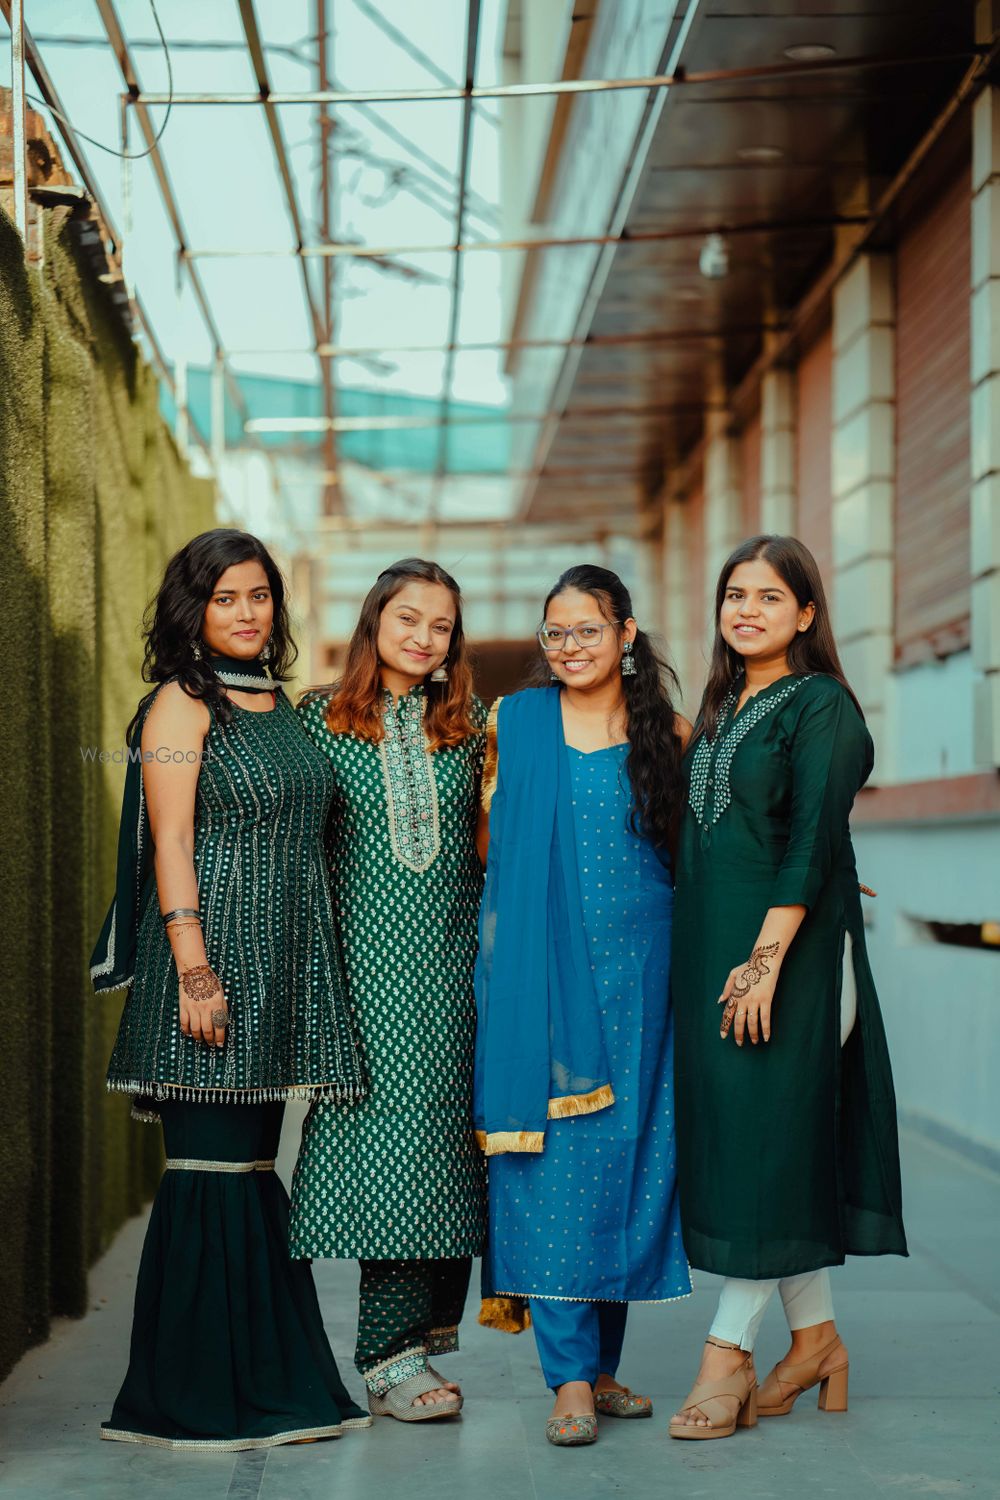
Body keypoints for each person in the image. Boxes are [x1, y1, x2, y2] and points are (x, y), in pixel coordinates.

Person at [92, 528, 368, 1450]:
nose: (248, 614)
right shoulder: (181, 703)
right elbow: (170, 841)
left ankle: (275, 1388)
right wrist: (193, 971)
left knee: (250, 1180)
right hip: (208, 980)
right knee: (209, 1180)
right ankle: (192, 1404)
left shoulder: (279, 703)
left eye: (259, 597)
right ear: (194, 610)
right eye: (226, 599)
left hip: (279, 976)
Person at [669, 534, 907, 1441]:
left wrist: (765, 959)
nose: (748, 611)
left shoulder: (823, 706)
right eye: (736, 594)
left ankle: (726, 1356)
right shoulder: (726, 705)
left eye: (771, 597)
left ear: (806, 614)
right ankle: (817, 1346)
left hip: (784, 967)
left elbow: (810, 836)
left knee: (764, 1151)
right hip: (713, 957)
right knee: (751, 1149)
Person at [475, 565, 692, 1448]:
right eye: (554, 632)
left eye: (587, 631)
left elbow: (704, 860)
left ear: (627, 634)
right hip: (538, 981)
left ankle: (601, 1368)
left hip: (645, 981)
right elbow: (489, 852)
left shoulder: (670, 736)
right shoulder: (514, 724)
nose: (568, 648)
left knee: (626, 1171)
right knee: (550, 1173)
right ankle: (565, 1380)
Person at [288, 559, 487, 1423]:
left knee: (448, 1160)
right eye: (408, 618)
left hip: (456, 980)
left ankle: (419, 1344)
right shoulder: (320, 720)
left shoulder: (473, 727)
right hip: (362, 980)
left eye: (441, 626)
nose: (423, 637)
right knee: (390, 1162)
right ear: (374, 622)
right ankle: (385, 1361)